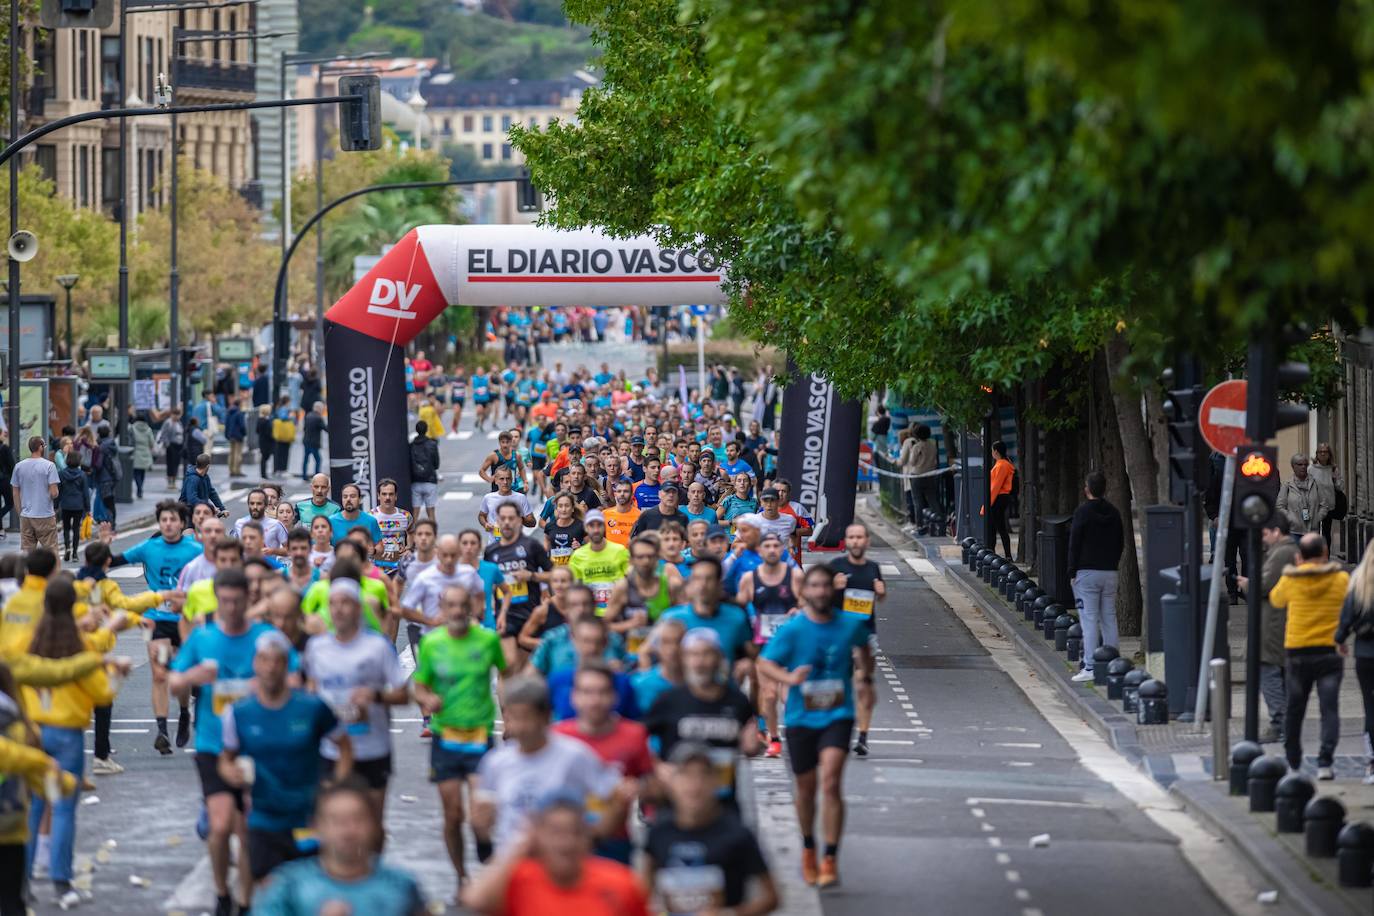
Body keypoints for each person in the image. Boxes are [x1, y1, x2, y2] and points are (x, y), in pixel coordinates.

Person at [170, 567, 299, 916]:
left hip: (258, 746)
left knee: (246, 831)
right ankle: (222, 892)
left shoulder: (266, 637)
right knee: (220, 823)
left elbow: (298, 677)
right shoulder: (203, 638)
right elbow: (174, 682)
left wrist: (268, 685)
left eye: (235, 600)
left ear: (247, 599)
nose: (229, 607)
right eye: (223, 600)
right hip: (214, 745)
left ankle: (243, 902)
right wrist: (191, 677)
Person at [757, 565, 871, 888]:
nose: (821, 591)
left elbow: (864, 648)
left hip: (838, 714)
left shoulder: (851, 624)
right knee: (806, 789)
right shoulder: (793, 630)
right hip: (800, 717)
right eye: (815, 586)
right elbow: (764, 662)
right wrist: (789, 679)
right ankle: (809, 847)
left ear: (831, 591)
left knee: (831, 782)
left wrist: (864, 674)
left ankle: (831, 856)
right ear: (805, 591)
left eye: (825, 586)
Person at [220, 630, 353, 890]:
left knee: (310, 891)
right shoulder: (238, 713)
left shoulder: (312, 708)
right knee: (270, 891)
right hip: (263, 819)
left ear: (286, 664)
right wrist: (230, 773)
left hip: (307, 819)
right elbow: (226, 759)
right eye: (264, 660)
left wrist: (336, 785)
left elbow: (345, 746)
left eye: (277, 660)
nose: (270, 667)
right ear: (255, 664)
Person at [22, 576, 117, 908]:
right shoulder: (81, 645)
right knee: (63, 810)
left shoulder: (32, 640)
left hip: (35, 732)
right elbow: (103, 693)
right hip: (68, 734)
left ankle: (22, 880)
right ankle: (61, 881)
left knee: (34, 807)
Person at [413, 583, 505, 892]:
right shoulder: (432, 644)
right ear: (442, 607)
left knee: (481, 812)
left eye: (461, 606)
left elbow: (508, 673)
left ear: (470, 608)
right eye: (449, 605)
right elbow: (420, 685)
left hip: (479, 736)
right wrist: (427, 701)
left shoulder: (488, 640)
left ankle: (485, 849)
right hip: (446, 737)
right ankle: (461, 877)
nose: (455, 612)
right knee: (452, 815)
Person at [471, 677, 627, 853]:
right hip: (514, 862)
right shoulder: (496, 762)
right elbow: (483, 822)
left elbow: (611, 795)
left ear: (546, 717)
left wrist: (591, 837)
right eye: (514, 717)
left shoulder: (575, 756)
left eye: (527, 718)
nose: (521, 727)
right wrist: (481, 827)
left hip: (561, 863)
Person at [304, 578, 408, 817]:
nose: (339, 609)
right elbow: (310, 690)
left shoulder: (378, 647)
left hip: (372, 748)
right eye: (333, 603)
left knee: (372, 825)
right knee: (335, 821)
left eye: (346, 603)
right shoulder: (316, 648)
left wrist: (375, 696)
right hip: (331, 750)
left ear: (359, 608)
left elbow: (404, 695)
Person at [107, 501, 202, 753]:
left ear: (182, 524)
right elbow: (113, 561)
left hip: (184, 620)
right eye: (164, 520)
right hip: (155, 618)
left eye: (173, 520)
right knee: (159, 674)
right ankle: (161, 731)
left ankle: (183, 712)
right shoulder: (150, 547)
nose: (168, 524)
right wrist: (104, 546)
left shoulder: (195, 550)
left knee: (180, 679)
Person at [254, 778, 429, 914]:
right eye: (337, 821)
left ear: (375, 825)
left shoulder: (400, 887)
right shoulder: (288, 887)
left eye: (358, 820)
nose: (348, 831)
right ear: (316, 827)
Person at [645, 741, 780, 916]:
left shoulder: (737, 834)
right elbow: (643, 892)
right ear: (671, 783)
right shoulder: (658, 833)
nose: (694, 785)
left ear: (716, 782)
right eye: (685, 775)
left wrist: (729, 914)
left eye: (703, 775)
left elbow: (772, 898)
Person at [462, 794, 650, 916]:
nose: (566, 844)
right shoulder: (520, 878)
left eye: (574, 833)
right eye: (556, 833)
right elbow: (475, 900)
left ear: (587, 838)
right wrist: (519, 846)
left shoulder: (620, 882)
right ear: (537, 837)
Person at [552, 661, 654, 863]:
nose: (595, 700)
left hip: (614, 842)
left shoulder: (634, 734)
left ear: (614, 697)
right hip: (564, 841)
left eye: (602, 692)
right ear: (574, 697)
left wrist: (638, 788)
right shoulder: (556, 736)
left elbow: (652, 784)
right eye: (587, 692)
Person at [644, 628, 757, 808]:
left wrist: (753, 744)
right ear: (684, 659)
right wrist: (656, 766)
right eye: (693, 655)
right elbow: (639, 738)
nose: (700, 662)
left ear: (719, 658)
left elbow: (751, 742)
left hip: (723, 801)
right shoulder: (669, 700)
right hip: (677, 802)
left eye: (707, 654)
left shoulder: (737, 700)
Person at [1269, 532, 1349, 781]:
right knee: (1329, 709)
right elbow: (1350, 602)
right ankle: (1325, 762)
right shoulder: (1341, 579)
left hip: (1297, 651)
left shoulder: (1290, 581)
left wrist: (1295, 569)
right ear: (1325, 554)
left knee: (1295, 709)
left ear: (1299, 556)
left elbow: (1275, 600)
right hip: (1329, 651)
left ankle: (1293, 762)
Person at [741, 533, 803, 759]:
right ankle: (774, 739)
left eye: (776, 545)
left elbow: (806, 602)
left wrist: (798, 611)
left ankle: (798, 733)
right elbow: (741, 605)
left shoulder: (794, 576)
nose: (772, 550)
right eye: (767, 546)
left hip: (789, 642)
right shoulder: (750, 578)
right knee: (768, 695)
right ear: (760, 550)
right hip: (763, 642)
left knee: (788, 694)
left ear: (783, 548)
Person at [1238, 517, 1299, 743]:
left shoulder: (1283, 553)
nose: (1263, 539)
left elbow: (1264, 585)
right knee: (1278, 673)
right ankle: (1284, 722)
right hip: (1276, 619)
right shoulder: (1285, 551)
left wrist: (1247, 584)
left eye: (1265, 534)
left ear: (1276, 531)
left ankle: (1279, 722)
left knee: (1269, 672)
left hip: (1272, 621)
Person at [1067, 470, 1125, 684]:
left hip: (1086, 572)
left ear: (1087, 489)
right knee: (1109, 616)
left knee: (1089, 619)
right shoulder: (1114, 512)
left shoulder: (1082, 513)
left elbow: (1074, 542)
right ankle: (1113, 663)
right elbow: (1120, 541)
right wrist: (1113, 563)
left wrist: (1071, 570)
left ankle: (1090, 665)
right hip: (1109, 571)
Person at [486, 502, 553, 671]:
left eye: (511, 518)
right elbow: (488, 585)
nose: (507, 522)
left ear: (519, 520)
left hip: (529, 614)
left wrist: (531, 576)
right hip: (505, 615)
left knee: (525, 669)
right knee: (507, 667)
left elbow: (554, 575)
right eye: (503, 518)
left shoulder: (531, 546)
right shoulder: (491, 551)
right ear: (497, 521)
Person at [1337, 540, 1374, 784]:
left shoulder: (1360, 582)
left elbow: (1346, 616)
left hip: (1366, 654)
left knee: (1370, 707)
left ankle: (1372, 762)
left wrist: (1340, 639)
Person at [568, 508, 629, 617]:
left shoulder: (620, 551)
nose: (596, 530)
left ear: (604, 527)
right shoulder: (578, 556)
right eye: (591, 526)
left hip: (616, 612)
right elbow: (574, 588)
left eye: (599, 525)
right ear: (586, 528)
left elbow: (630, 580)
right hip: (590, 614)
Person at [10, 437, 59, 552]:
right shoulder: (49, 466)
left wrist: (20, 512)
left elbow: (15, 491)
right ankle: (52, 570)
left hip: (26, 515)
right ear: (40, 447)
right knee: (51, 551)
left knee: (27, 552)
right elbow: (54, 492)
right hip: (45, 514)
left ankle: (29, 571)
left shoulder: (19, 466)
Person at [1277, 453, 1329, 536]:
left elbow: (1324, 505)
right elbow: (1280, 506)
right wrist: (1290, 518)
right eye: (1300, 464)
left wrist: (1317, 518)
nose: (1303, 467)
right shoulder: (1287, 485)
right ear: (1293, 466)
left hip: (1313, 530)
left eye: (1305, 464)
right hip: (1294, 531)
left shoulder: (1315, 483)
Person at [900, 424, 940, 531]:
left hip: (917, 475)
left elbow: (912, 462)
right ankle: (939, 520)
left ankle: (919, 525)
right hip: (930, 474)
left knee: (917, 501)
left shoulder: (917, 446)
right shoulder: (933, 445)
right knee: (932, 499)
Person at [56, 444, 87, 563]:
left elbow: (59, 491)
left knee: (66, 528)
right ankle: (75, 553)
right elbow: (85, 493)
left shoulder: (62, 474)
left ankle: (67, 548)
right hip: (78, 505)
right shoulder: (82, 475)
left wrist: (55, 505)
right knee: (76, 529)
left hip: (66, 504)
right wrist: (88, 508)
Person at [1311, 442, 1345, 545]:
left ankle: (1326, 556)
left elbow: (1340, 487)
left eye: (1325, 452)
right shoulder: (1311, 469)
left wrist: (1335, 477)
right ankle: (1315, 554)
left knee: (1326, 533)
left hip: (1329, 506)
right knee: (1314, 532)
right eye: (1320, 452)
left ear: (1329, 454)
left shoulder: (1333, 469)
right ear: (1317, 454)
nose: (1322, 454)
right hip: (1314, 505)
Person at [987, 440, 1015, 558]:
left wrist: (987, 503)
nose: (992, 453)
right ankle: (995, 553)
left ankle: (1004, 554)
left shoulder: (1001, 465)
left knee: (998, 527)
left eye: (992, 450)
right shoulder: (1004, 463)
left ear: (996, 451)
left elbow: (995, 486)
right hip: (1000, 497)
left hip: (998, 497)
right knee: (995, 527)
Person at [410, 420, 441, 522]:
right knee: (431, 512)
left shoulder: (411, 446)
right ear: (426, 430)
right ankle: (433, 535)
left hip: (415, 481)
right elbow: (436, 464)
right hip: (430, 480)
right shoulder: (432, 444)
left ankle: (411, 536)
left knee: (415, 513)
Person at [157, 407, 185, 490]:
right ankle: (170, 481)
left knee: (176, 463)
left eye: (178, 415)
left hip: (179, 445)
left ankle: (174, 481)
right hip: (171, 445)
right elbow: (163, 434)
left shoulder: (179, 423)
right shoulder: (168, 422)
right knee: (171, 464)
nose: (176, 417)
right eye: (175, 415)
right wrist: (167, 444)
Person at [130, 411, 156, 497]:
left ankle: (139, 488)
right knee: (142, 472)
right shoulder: (148, 429)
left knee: (136, 472)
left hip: (135, 452)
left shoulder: (132, 428)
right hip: (145, 453)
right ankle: (140, 488)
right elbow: (152, 443)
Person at [301, 401, 327, 480]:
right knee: (318, 460)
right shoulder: (318, 418)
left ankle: (304, 476)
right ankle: (317, 476)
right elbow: (326, 428)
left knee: (306, 459)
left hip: (306, 440)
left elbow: (304, 428)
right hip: (314, 442)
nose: (323, 410)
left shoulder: (308, 415)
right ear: (319, 408)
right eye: (322, 408)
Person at [255, 405, 274, 480]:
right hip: (266, 442)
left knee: (264, 457)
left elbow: (257, 430)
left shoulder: (260, 419)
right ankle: (264, 474)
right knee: (265, 458)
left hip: (262, 441)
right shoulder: (266, 421)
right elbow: (268, 432)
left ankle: (263, 473)